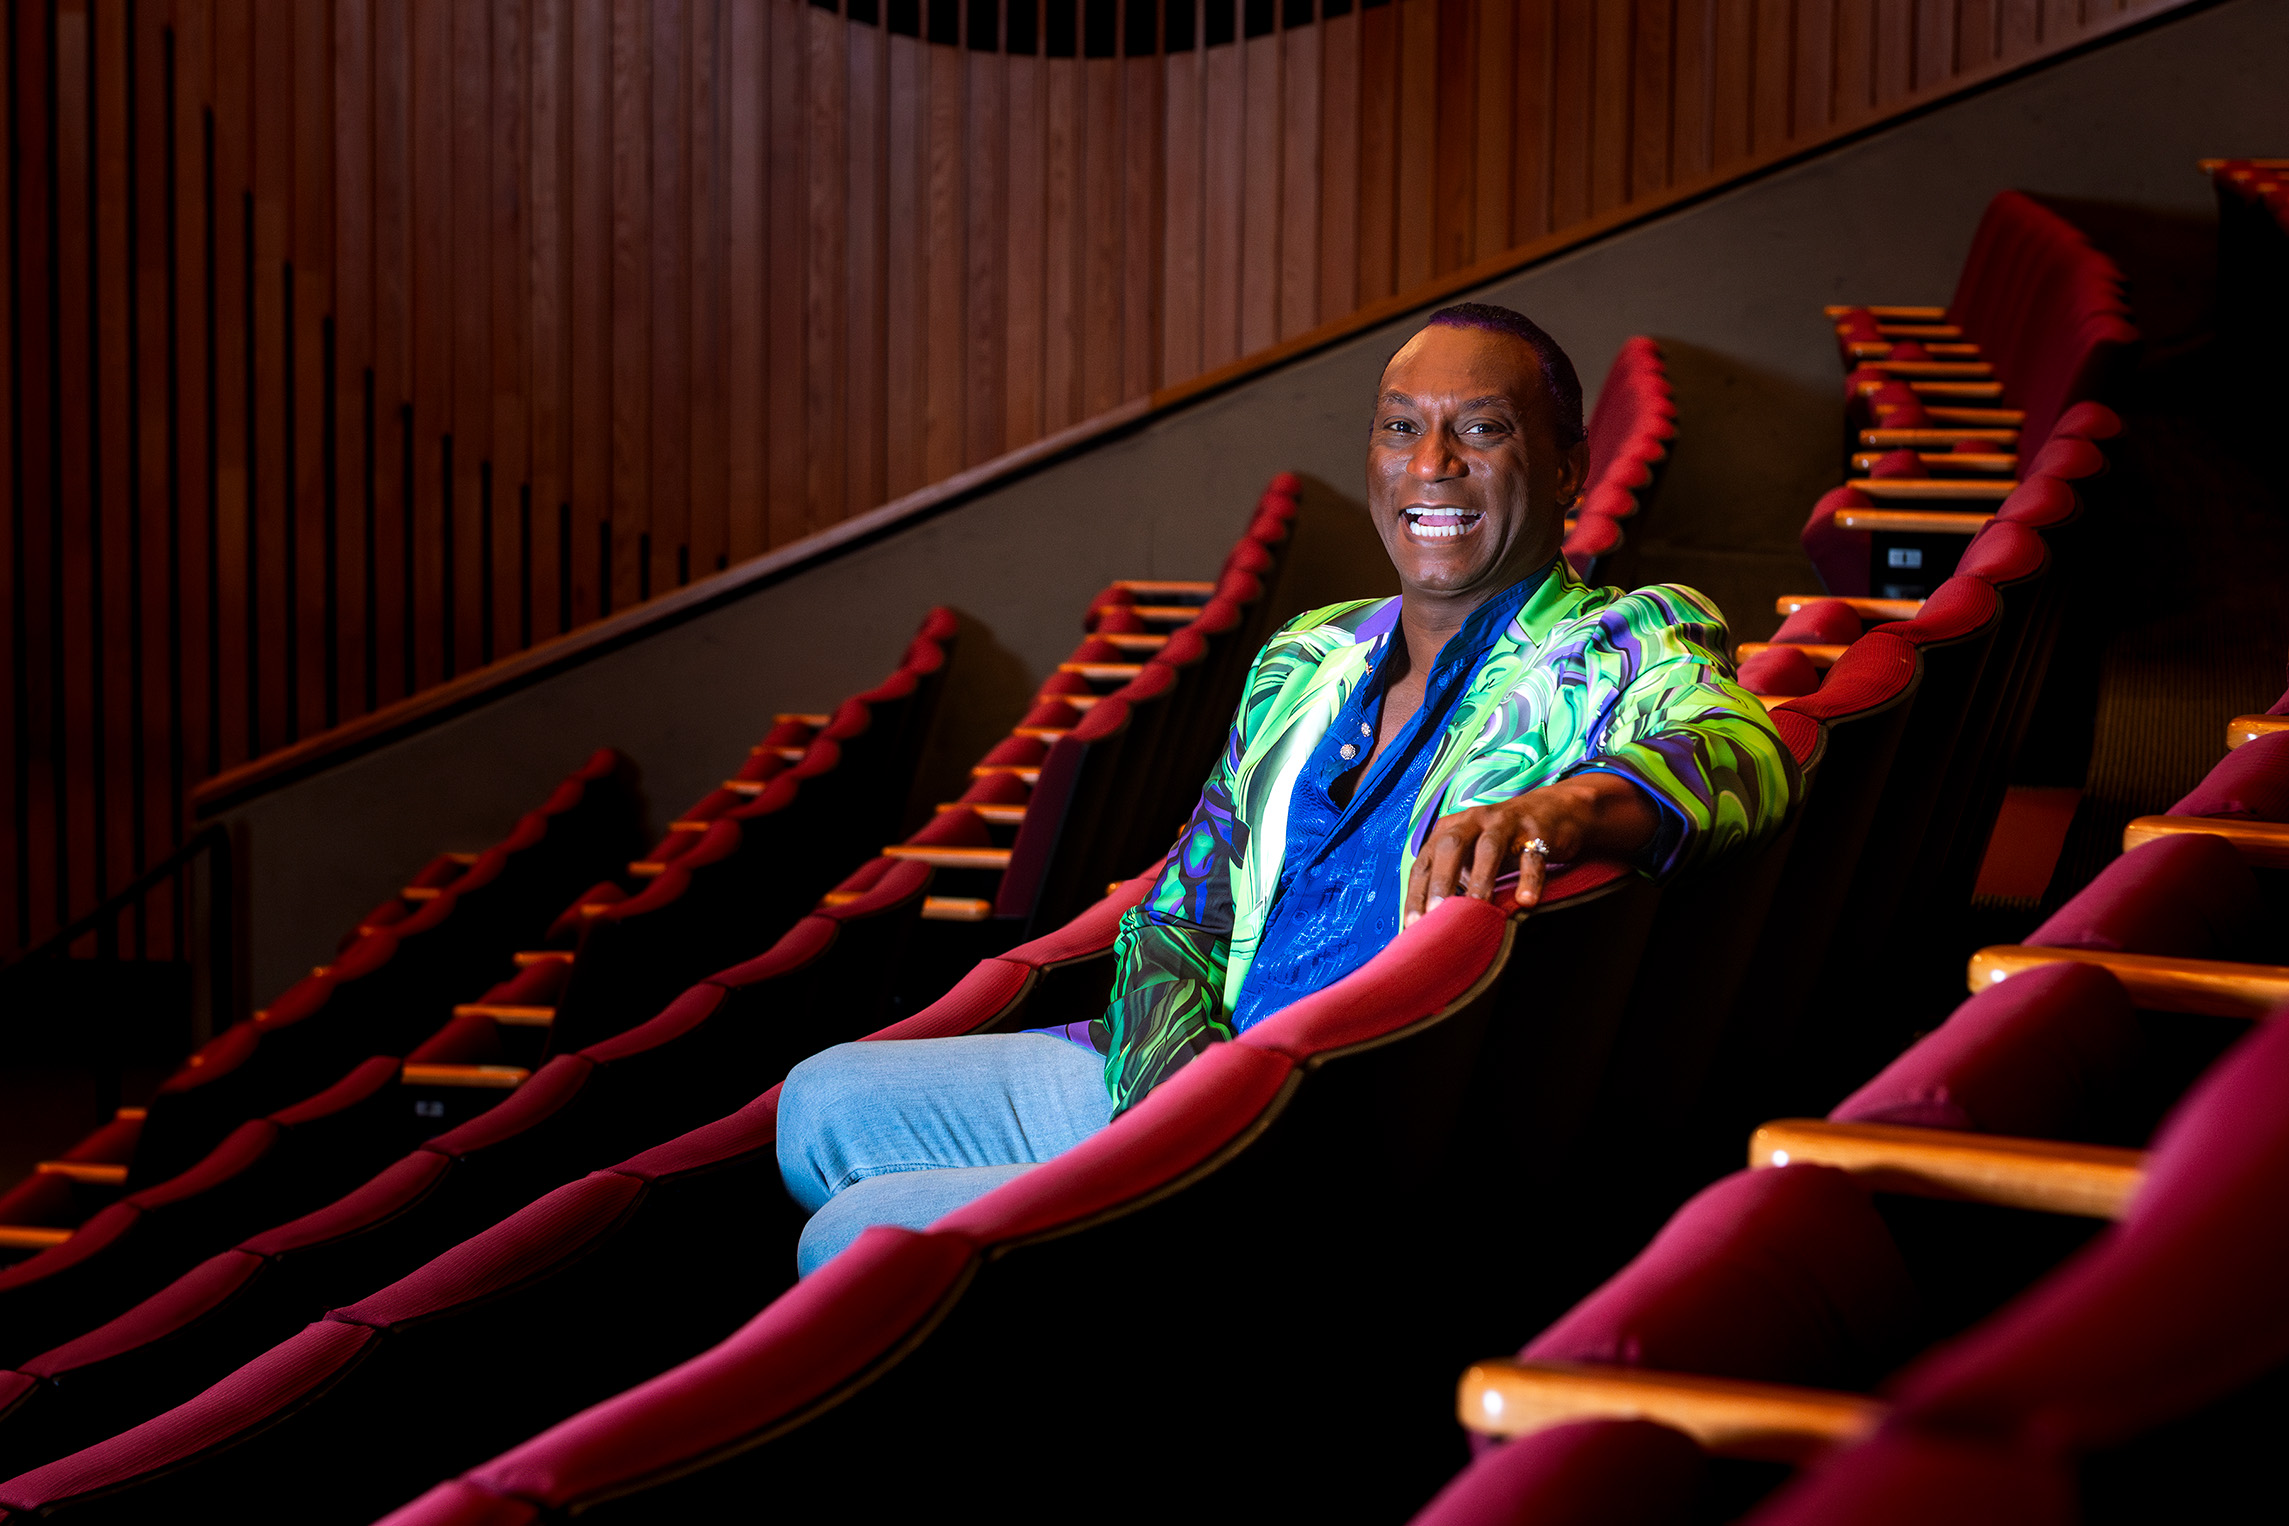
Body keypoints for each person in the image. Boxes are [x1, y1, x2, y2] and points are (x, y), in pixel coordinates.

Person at [777, 302, 1800, 1274]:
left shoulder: (1610, 644)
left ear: (1571, 466)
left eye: (1479, 430)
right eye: (1401, 429)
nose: (1431, 467)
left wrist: (1560, 805)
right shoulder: (1306, 658)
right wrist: (1175, 1099)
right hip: (1191, 1078)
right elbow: (1179, 915)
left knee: (858, 1235)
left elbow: (1742, 750)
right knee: (818, 1100)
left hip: (1325, 1131)